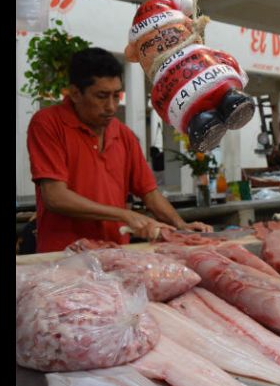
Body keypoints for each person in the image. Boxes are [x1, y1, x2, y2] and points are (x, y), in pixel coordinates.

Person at [27, 47, 212, 253]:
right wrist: (124, 215)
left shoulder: (123, 134)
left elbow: (149, 193)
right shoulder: (48, 123)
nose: (111, 107)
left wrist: (181, 226)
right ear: (75, 93)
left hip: (115, 254)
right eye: (102, 96)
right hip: (64, 256)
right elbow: (55, 197)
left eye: (116, 96)